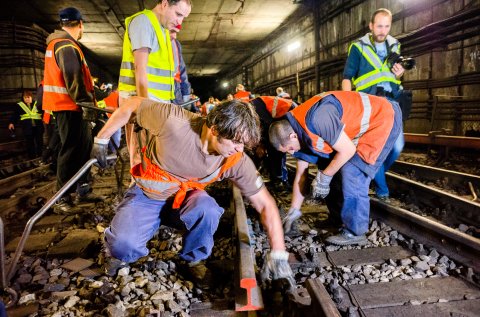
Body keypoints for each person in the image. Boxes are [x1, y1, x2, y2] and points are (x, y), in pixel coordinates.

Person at [91, 97, 295, 289]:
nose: (239, 149)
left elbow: (265, 204)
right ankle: (116, 245)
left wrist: (278, 253)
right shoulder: (173, 121)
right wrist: (101, 139)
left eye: (244, 144)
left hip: (184, 200)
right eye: (235, 142)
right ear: (215, 129)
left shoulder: (235, 159)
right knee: (122, 247)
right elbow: (132, 105)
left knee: (208, 209)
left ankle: (194, 260)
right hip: (148, 195)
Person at [269, 91, 402, 245]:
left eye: (290, 149)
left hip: (382, 118)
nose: (292, 153)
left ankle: (355, 232)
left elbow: (348, 151)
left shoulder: (318, 119)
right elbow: (301, 174)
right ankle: (337, 219)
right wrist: (294, 211)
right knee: (326, 166)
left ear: (292, 137)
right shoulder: (298, 128)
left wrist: (324, 178)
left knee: (352, 171)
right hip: (360, 128)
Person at [342, 8, 405, 202]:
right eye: (379, 26)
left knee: (396, 147)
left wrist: (400, 73)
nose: (382, 30)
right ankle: (382, 190)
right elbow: (347, 77)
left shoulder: (395, 45)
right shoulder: (358, 47)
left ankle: (369, 174)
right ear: (371, 26)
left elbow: (393, 75)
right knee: (375, 149)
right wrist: (348, 103)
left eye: (386, 26)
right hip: (369, 103)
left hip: (392, 101)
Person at [118, 0, 192, 167]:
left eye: (184, 17)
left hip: (154, 103)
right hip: (142, 102)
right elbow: (140, 68)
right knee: (142, 158)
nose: (180, 22)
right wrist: (145, 109)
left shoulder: (162, 29)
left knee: (152, 157)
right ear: (165, 4)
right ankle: (139, 191)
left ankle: (151, 191)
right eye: (178, 14)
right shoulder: (144, 22)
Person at [42, 7, 99, 212]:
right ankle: (61, 198)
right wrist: (88, 107)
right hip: (68, 106)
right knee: (70, 150)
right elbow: (74, 79)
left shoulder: (60, 44)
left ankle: (83, 190)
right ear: (80, 24)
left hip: (71, 107)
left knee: (84, 148)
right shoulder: (65, 45)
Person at [249, 96, 297, 188]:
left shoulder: (255, 110)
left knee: (277, 148)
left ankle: (280, 180)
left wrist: (261, 144)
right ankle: (276, 178)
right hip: (280, 117)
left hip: (290, 114)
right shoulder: (253, 108)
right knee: (274, 149)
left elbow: (268, 128)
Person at [8, 90, 44, 159]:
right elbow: (15, 115)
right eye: (25, 97)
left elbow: (44, 113)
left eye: (28, 97)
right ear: (23, 98)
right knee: (30, 144)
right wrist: (11, 123)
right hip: (27, 128)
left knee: (39, 143)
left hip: (38, 128)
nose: (27, 99)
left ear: (31, 97)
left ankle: (41, 157)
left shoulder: (37, 104)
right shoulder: (20, 106)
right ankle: (32, 158)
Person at [170, 29, 192, 107]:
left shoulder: (175, 44)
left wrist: (186, 95)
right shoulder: (153, 39)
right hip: (158, 95)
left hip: (176, 94)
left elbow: (181, 70)